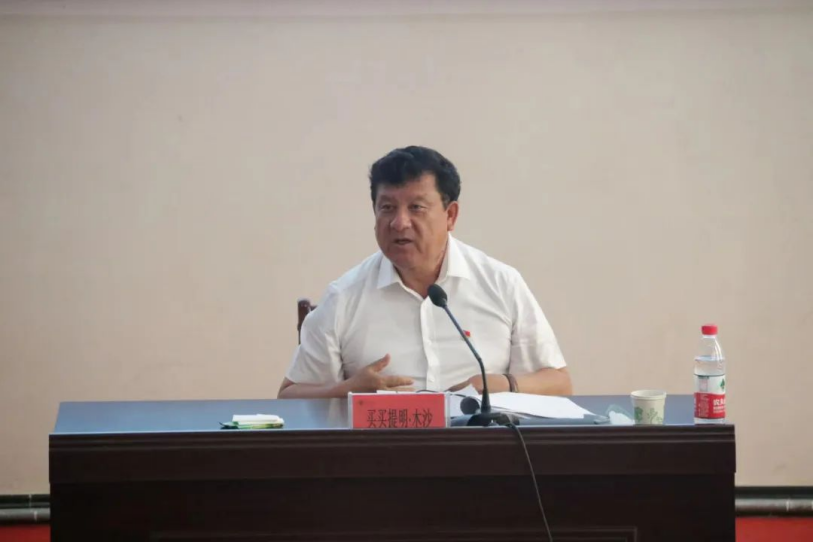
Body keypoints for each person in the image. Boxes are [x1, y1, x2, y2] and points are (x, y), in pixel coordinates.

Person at [278, 146, 571, 399]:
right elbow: (289, 396)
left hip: (481, 446)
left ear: (450, 215)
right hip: (381, 446)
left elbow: (559, 384)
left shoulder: (501, 283)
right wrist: (346, 391)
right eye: (387, 208)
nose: (399, 223)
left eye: (416, 207)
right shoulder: (344, 297)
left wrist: (505, 385)